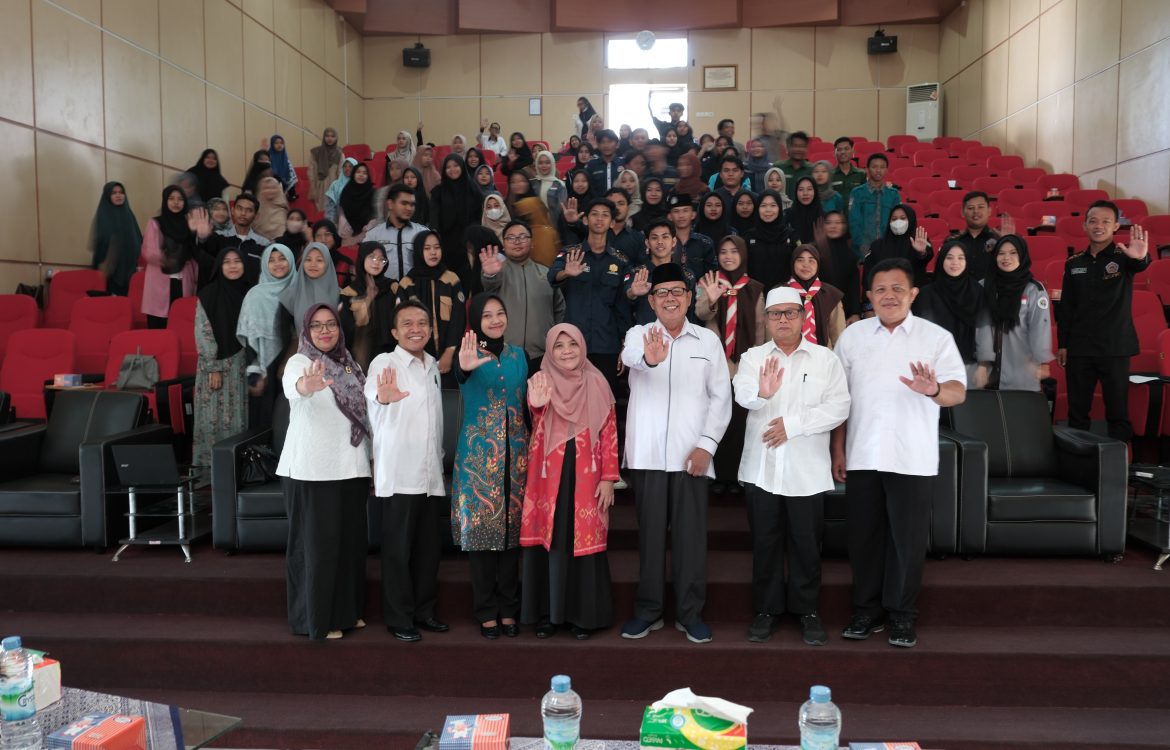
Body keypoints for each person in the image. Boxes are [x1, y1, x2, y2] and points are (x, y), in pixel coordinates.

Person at [831, 257, 967, 649]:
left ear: (913, 293)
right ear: (869, 295)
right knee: (864, 539)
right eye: (880, 289)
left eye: (897, 288)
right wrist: (837, 449)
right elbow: (839, 400)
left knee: (907, 541)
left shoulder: (935, 337)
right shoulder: (852, 337)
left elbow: (958, 391)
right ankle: (866, 611)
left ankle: (903, 616)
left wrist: (934, 390)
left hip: (912, 456)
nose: (888, 295)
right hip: (862, 453)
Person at [619, 263, 732, 644]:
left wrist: (707, 446)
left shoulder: (707, 341)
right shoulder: (638, 335)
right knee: (650, 539)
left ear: (688, 298)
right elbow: (633, 358)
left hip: (691, 456)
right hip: (648, 455)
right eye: (662, 293)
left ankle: (690, 613)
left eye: (677, 292)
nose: (670, 298)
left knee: (690, 540)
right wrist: (652, 358)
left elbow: (721, 398)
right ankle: (648, 611)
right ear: (651, 301)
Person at [734, 286, 851, 645]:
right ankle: (766, 610)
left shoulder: (825, 359)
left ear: (803, 317)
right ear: (766, 319)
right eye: (775, 314)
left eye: (790, 313)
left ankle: (807, 611)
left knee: (805, 544)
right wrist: (763, 393)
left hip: (807, 469)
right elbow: (741, 394)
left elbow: (840, 406)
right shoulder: (753, 357)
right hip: (762, 469)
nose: (783, 319)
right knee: (765, 543)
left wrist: (793, 426)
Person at [278, 303, 371, 640]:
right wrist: (306, 385)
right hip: (312, 470)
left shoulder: (350, 364)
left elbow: (365, 411)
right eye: (316, 325)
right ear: (307, 331)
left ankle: (345, 613)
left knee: (349, 546)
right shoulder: (300, 362)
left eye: (331, 324)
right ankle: (317, 619)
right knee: (317, 549)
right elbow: (293, 387)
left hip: (352, 467)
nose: (325, 331)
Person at [521, 324, 618, 638]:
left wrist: (609, 478)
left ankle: (584, 617)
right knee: (553, 541)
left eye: (572, 344)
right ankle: (549, 615)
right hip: (548, 478)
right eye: (559, 346)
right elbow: (534, 425)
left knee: (582, 542)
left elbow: (609, 432)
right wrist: (537, 405)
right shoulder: (540, 380)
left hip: (587, 476)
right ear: (550, 351)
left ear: (582, 347)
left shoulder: (597, 382)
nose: (566, 352)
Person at [365, 300, 449, 642]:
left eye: (422, 322)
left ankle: (425, 612)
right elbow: (374, 395)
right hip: (400, 473)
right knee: (398, 553)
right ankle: (399, 618)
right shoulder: (385, 362)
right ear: (395, 332)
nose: (417, 329)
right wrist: (383, 397)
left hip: (430, 474)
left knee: (428, 551)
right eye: (408, 324)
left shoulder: (432, 365)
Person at [452, 293, 529, 639]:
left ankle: (509, 609)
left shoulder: (520, 356)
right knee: (482, 537)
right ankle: (486, 611)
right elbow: (460, 374)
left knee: (512, 536)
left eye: (500, 313)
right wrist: (464, 367)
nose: (495, 320)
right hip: (478, 461)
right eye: (487, 315)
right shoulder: (467, 354)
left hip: (517, 455)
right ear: (475, 321)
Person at [1058, 205, 1151, 439]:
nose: (1098, 226)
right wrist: (1063, 344)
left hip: (1115, 346)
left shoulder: (1125, 256)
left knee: (1118, 413)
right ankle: (1076, 458)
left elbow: (1140, 263)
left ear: (1116, 226)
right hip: (1080, 347)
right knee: (1077, 413)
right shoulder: (1073, 262)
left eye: (1106, 221)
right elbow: (1067, 307)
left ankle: (1120, 460)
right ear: (1084, 225)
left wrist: (1141, 257)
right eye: (1093, 221)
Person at [695, 234, 766, 493]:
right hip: (717, 363)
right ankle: (717, 475)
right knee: (716, 418)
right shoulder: (710, 282)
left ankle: (734, 476)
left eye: (734, 251)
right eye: (723, 251)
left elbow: (760, 328)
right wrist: (712, 298)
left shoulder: (755, 288)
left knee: (739, 422)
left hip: (744, 365)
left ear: (743, 255)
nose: (728, 256)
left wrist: (756, 363)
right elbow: (700, 313)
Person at [549, 198, 632, 392]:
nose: (599, 219)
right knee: (572, 397)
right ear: (585, 220)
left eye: (605, 215)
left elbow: (622, 305)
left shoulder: (620, 261)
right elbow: (552, 276)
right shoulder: (571, 253)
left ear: (612, 223)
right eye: (594, 214)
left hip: (607, 344)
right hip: (573, 343)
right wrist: (566, 273)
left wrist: (624, 343)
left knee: (605, 397)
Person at [192, 247, 252, 468]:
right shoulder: (208, 294)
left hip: (241, 367)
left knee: (239, 420)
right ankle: (209, 473)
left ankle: (238, 472)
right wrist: (213, 366)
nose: (233, 266)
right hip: (215, 369)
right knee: (212, 420)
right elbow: (203, 331)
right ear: (219, 266)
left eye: (237, 261)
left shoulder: (250, 293)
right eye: (227, 262)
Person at [481, 220, 565, 373]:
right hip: (505, 355)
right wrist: (491, 274)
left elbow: (559, 310)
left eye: (523, 237)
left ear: (532, 242)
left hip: (542, 356)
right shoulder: (497, 272)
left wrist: (553, 341)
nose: (517, 241)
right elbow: (489, 285)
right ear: (503, 244)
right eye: (511, 238)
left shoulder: (546, 274)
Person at [975, 235, 1054, 391]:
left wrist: (1042, 362)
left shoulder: (1034, 290)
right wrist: (982, 364)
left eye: (1013, 253)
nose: (1006, 258)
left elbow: (1040, 328)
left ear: (1022, 256)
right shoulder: (983, 287)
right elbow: (980, 327)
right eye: (1001, 253)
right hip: (987, 373)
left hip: (1022, 371)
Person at [236, 244, 297, 429]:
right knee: (264, 419)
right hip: (264, 366)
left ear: (291, 261)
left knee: (291, 420)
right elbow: (249, 340)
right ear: (264, 264)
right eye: (271, 260)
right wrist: (255, 374)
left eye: (282, 258)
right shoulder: (254, 295)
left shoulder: (299, 290)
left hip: (294, 363)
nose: (277, 264)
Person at [397, 230, 465, 384]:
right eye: (427, 248)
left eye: (437, 247)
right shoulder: (407, 283)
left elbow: (458, 319)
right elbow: (402, 324)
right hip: (415, 360)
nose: (433, 252)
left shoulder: (451, 279)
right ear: (418, 251)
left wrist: (449, 352)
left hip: (449, 360)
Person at [911, 239, 982, 380]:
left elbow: (984, 330)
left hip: (970, 366)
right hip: (934, 367)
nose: (955, 262)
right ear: (941, 260)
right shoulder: (926, 294)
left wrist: (983, 365)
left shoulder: (978, 291)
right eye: (949, 258)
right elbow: (921, 333)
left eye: (960, 258)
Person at [140, 185, 198, 328]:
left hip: (183, 280)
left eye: (180, 199)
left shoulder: (190, 224)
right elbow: (149, 251)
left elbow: (194, 254)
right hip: (160, 281)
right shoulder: (155, 223)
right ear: (165, 201)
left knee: (180, 323)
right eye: (171, 199)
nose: (176, 202)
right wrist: (167, 259)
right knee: (159, 327)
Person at [339, 242, 398, 373]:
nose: (377, 262)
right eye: (372, 257)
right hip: (361, 353)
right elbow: (346, 327)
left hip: (390, 352)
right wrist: (368, 299)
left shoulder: (393, 287)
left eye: (382, 259)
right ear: (362, 258)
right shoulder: (348, 292)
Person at [624, 220, 695, 326]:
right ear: (647, 243)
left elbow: (691, 312)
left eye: (665, 237)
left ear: (674, 241)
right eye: (654, 238)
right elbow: (625, 298)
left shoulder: (686, 275)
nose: (660, 241)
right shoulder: (638, 273)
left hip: (679, 333)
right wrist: (632, 293)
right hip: (645, 333)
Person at [861, 204, 933, 298]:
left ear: (911, 220)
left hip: (913, 298)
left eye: (903, 218)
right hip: (884, 299)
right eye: (894, 219)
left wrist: (921, 253)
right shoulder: (877, 246)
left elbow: (927, 256)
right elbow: (868, 275)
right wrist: (869, 303)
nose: (898, 222)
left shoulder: (920, 241)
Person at [431, 154, 483, 280]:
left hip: (468, 242)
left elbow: (479, 215)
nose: (452, 169)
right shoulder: (438, 191)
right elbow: (434, 217)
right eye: (448, 167)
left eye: (456, 165)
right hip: (445, 243)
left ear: (462, 167)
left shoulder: (473, 190)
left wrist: (472, 237)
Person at [365, 183, 429, 282]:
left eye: (412, 204)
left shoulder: (423, 233)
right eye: (404, 203)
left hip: (415, 290)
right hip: (384, 291)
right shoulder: (373, 236)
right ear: (390, 204)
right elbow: (365, 269)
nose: (409, 208)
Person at [88, 181, 143, 296]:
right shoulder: (103, 216)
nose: (118, 195)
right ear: (108, 196)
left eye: (121, 192)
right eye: (114, 193)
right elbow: (100, 245)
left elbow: (138, 241)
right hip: (109, 273)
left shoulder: (129, 216)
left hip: (129, 270)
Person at [788, 244, 846, 349]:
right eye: (800, 260)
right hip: (787, 355)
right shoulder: (781, 292)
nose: (806, 265)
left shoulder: (830, 294)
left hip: (823, 355)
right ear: (793, 263)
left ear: (818, 265)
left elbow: (838, 332)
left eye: (811, 261)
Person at [280, 242, 340, 337]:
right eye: (308, 259)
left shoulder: (341, 295)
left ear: (328, 263)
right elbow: (285, 334)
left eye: (319, 260)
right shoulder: (290, 296)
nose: (313, 264)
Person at [849, 153, 901, 257]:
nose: (878, 170)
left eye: (882, 167)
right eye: (874, 167)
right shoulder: (857, 193)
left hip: (887, 247)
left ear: (886, 170)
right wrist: (861, 245)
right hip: (862, 248)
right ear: (867, 169)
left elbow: (896, 223)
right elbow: (854, 222)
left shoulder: (893, 194)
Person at [815, 211, 862, 323]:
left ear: (845, 226)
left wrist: (855, 313)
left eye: (838, 222)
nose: (833, 226)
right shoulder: (814, 252)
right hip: (816, 310)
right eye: (828, 222)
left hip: (844, 313)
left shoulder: (851, 256)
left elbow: (853, 287)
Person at [745, 190, 795, 293]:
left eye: (773, 205)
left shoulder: (790, 235)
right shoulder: (749, 236)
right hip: (755, 294)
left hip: (784, 295)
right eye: (763, 206)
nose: (768, 210)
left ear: (779, 208)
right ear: (758, 209)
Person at [949, 191, 1000, 280]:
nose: (976, 211)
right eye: (970, 208)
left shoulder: (999, 240)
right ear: (962, 213)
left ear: (989, 211)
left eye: (981, 207)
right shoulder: (952, 241)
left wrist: (1009, 240)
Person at [665, 193, 715, 282]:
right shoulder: (664, 242)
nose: (681, 215)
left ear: (693, 214)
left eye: (685, 210)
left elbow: (712, 272)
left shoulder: (705, 242)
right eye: (676, 211)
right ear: (670, 216)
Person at [337, 163, 377, 246]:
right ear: (353, 174)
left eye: (364, 173)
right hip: (348, 232)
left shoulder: (372, 192)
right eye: (358, 172)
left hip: (367, 232)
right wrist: (345, 225)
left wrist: (370, 225)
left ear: (368, 176)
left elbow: (376, 213)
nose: (361, 175)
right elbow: (341, 211)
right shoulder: (346, 191)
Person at [308, 128, 343, 211]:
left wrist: (339, 189)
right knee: (321, 211)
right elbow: (311, 172)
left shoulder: (339, 153)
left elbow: (341, 173)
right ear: (324, 137)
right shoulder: (315, 152)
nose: (329, 138)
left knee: (333, 211)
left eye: (332, 136)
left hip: (333, 186)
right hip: (320, 186)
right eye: (327, 136)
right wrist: (313, 188)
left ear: (336, 138)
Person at [784, 177, 824, 246]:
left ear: (815, 191)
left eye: (809, 189)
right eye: (801, 189)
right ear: (796, 192)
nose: (805, 193)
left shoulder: (823, 217)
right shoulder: (787, 215)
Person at [773, 131, 812, 201]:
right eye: (795, 146)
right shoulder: (778, 167)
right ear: (788, 147)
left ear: (806, 148)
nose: (798, 149)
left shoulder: (812, 169)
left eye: (802, 146)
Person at [585, 130, 624, 196]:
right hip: (598, 202)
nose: (606, 145)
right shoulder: (591, 164)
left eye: (610, 141)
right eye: (603, 142)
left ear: (617, 144)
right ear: (598, 145)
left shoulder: (623, 162)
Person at [254, 176, 290, 240]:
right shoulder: (256, 210)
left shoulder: (282, 210)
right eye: (266, 188)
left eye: (273, 188)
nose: (270, 191)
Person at [533, 151, 567, 219]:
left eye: (547, 162)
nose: (544, 165)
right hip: (536, 222)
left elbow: (561, 209)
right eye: (540, 163)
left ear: (552, 164)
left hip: (555, 221)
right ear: (536, 165)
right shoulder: (533, 182)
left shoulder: (559, 184)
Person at [325, 157, 358, 223]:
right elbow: (330, 206)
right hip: (338, 219)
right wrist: (331, 223)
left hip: (356, 219)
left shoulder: (358, 184)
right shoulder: (335, 184)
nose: (347, 169)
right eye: (345, 166)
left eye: (350, 166)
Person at [268, 134, 298, 198]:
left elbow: (290, 175)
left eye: (281, 143)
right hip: (272, 190)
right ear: (272, 144)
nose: (279, 145)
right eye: (276, 143)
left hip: (286, 192)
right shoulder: (268, 157)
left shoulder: (285, 158)